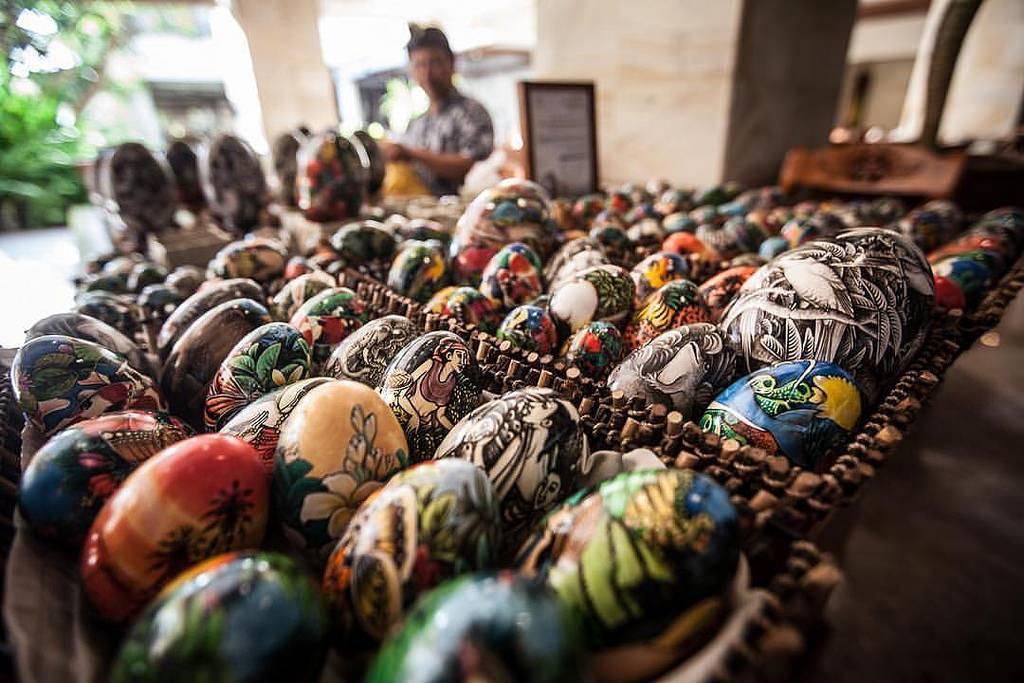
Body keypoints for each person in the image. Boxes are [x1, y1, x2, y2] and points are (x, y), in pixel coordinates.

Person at [380, 26, 494, 196]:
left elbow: (468, 166)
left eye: (435, 63)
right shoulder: (417, 123)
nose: (428, 74)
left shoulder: (472, 112)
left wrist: (411, 153)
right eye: (420, 65)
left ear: (452, 63)